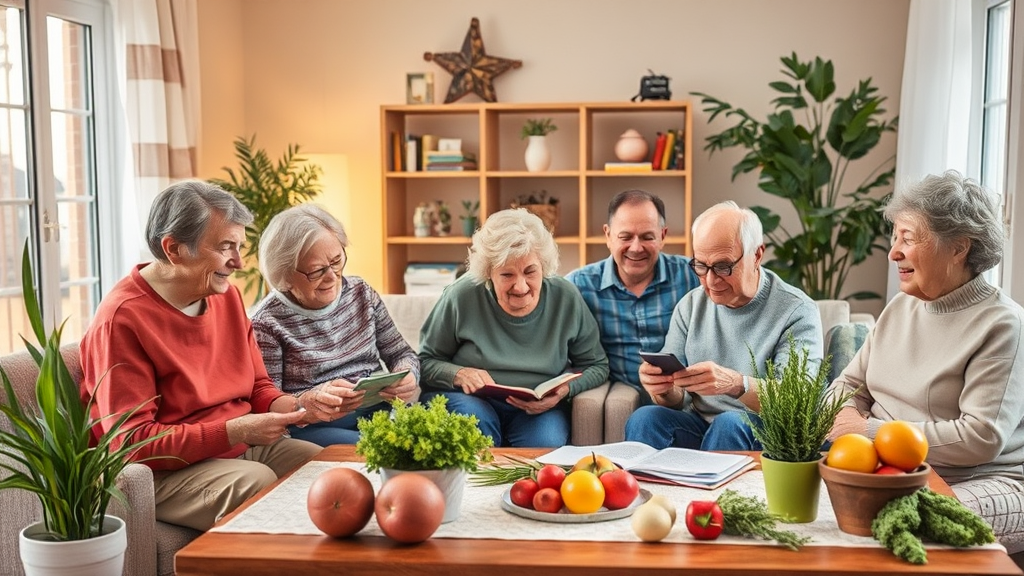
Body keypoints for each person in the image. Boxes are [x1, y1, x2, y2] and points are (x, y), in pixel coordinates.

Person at [79, 180, 322, 532]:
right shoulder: (122, 320)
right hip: (156, 472)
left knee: (325, 469)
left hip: (233, 445)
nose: (238, 262)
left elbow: (257, 385)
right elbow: (131, 442)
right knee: (255, 482)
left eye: (240, 246)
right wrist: (234, 430)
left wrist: (296, 405)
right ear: (174, 249)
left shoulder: (226, 296)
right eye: (226, 247)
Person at [828, 170, 1024, 548]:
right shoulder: (901, 306)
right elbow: (849, 385)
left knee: (895, 521)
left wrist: (868, 432)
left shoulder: (1003, 324)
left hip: (981, 479)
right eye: (895, 236)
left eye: (909, 238)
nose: (893, 252)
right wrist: (845, 417)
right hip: (891, 470)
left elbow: (980, 438)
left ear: (958, 248)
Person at [624, 200, 823, 451]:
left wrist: (736, 384)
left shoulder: (796, 310)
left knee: (729, 424)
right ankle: (648, 492)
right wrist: (663, 390)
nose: (710, 280)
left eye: (722, 266)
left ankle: (715, 493)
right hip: (699, 423)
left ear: (757, 255)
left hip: (764, 428)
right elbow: (677, 399)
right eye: (701, 265)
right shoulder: (691, 306)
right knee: (645, 418)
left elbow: (797, 400)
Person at [418, 208, 609, 447]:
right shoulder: (462, 294)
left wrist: (565, 390)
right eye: (507, 274)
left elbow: (597, 364)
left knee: (544, 445)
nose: (520, 287)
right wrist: (458, 374)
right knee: (476, 433)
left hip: (537, 408)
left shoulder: (565, 296)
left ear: (544, 267)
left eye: (530, 272)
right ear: (488, 273)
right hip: (470, 400)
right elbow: (424, 362)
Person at [250, 204, 420, 446]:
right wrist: (313, 398)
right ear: (284, 275)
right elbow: (268, 403)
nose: (332, 276)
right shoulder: (266, 323)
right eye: (316, 271)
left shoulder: (361, 292)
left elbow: (402, 353)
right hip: (317, 426)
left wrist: (408, 375)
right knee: (383, 449)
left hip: (378, 409)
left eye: (337, 261)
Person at [566, 189, 701, 404]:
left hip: (684, 398)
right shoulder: (579, 285)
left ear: (663, 236)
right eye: (625, 237)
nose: (636, 248)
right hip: (623, 396)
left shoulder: (693, 276)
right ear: (608, 235)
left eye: (647, 237)